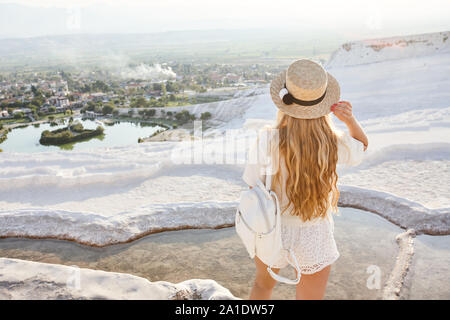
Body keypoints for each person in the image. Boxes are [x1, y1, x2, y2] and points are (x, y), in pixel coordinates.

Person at [242, 59, 368, 300]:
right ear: (323, 103)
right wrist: (350, 121)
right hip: (314, 232)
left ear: (285, 101)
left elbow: (252, 184)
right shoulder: (332, 142)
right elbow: (361, 147)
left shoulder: (268, 139)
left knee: (262, 287)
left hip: (272, 229)